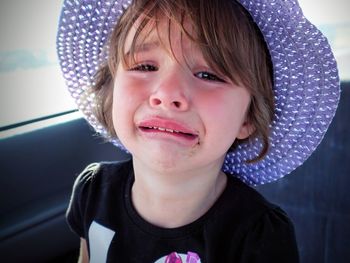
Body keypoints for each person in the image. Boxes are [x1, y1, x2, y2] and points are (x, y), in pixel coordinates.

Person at [57, 0, 340, 262]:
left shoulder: (258, 235)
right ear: (112, 90)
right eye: (144, 66)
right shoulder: (93, 189)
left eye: (208, 75)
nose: (167, 94)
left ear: (248, 118)